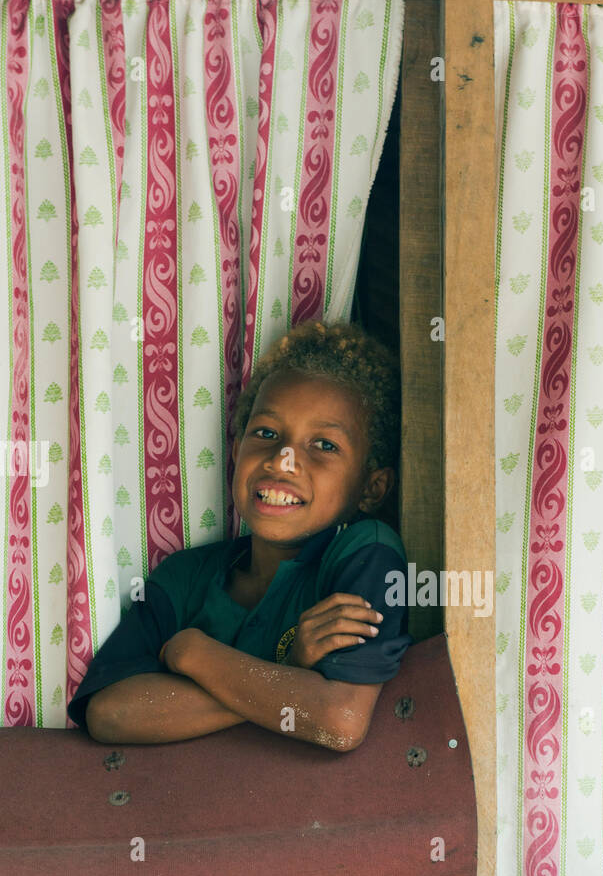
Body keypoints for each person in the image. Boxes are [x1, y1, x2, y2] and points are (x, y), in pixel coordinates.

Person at [68, 319, 412, 750]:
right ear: (236, 452)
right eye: (266, 434)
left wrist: (193, 654)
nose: (282, 460)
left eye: (324, 445)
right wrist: (288, 668)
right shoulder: (186, 575)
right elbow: (111, 714)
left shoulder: (365, 554)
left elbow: (338, 718)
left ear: (371, 487)